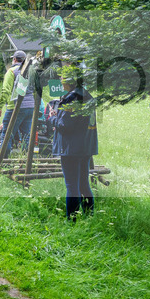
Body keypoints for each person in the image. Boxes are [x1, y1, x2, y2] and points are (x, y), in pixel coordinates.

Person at [49, 66, 98, 218]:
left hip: (71, 148)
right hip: (85, 146)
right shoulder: (85, 94)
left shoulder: (73, 98)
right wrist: (60, 116)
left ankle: (72, 220)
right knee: (84, 183)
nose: (60, 80)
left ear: (69, 81)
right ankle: (90, 216)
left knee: (72, 185)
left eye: (63, 78)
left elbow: (66, 126)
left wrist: (52, 118)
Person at [0, 50, 35, 158]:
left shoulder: (11, 71)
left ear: (14, 59)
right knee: (26, 135)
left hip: (16, 107)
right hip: (31, 106)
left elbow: (6, 91)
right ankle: (27, 159)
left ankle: (3, 159)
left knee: (7, 133)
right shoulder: (31, 71)